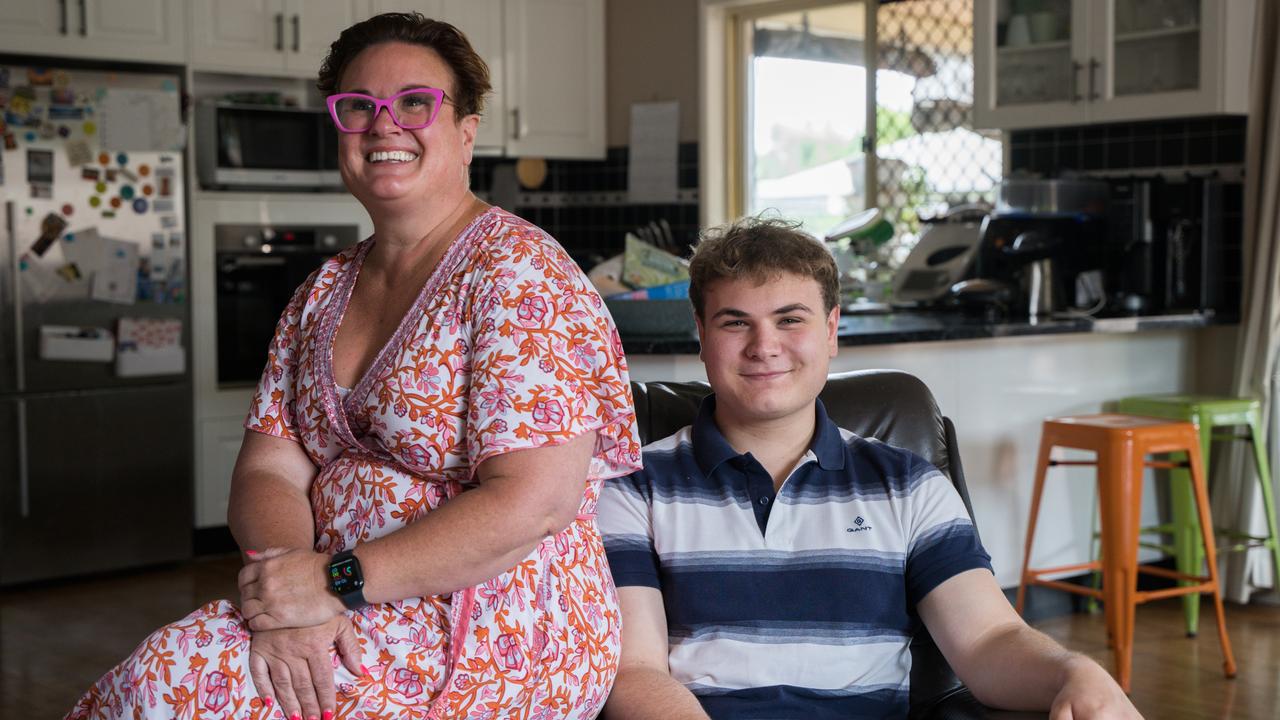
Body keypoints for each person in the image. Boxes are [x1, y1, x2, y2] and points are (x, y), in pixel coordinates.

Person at [68, 13, 640, 720]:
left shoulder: (518, 274)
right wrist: (291, 594)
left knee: (175, 686)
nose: (383, 125)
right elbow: (269, 469)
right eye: (358, 107)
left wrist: (335, 581)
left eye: (414, 103)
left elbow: (533, 505)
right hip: (341, 605)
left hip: (495, 629)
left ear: (467, 130)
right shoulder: (322, 291)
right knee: (160, 677)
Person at [597, 217, 1142, 720]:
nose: (765, 346)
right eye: (735, 322)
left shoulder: (910, 485)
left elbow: (988, 641)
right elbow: (635, 671)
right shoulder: (631, 485)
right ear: (701, 334)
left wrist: (1073, 670)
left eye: (791, 319)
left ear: (832, 330)